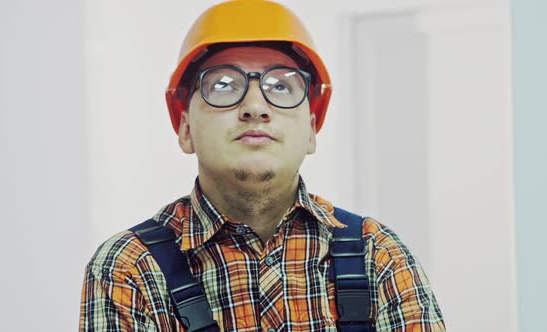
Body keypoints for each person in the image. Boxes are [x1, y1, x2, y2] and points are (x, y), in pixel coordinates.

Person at [79, 1, 446, 331]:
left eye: (281, 87)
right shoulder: (129, 268)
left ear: (312, 130)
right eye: (223, 85)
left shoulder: (376, 255)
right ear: (186, 128)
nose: (255, 106)